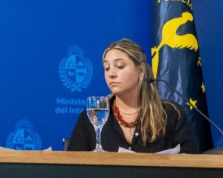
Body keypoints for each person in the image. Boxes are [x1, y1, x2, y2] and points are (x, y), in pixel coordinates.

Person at [68, 38, 198, 153]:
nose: (111, 74)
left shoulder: (171, 115)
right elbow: (72, 170)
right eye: (107, 68)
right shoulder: (92, 115)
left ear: (140, 70)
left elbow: (191, 168)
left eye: (119, 66)